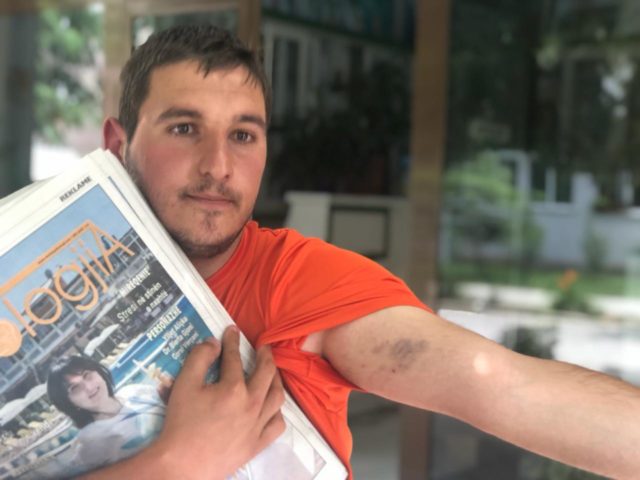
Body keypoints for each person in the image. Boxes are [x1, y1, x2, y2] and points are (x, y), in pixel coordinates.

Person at [82, 24, 639, 479]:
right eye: (184, 128)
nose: (219, 166)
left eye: (243, 135)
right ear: (116, 145)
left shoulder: (293, 281)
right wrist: (178, 464)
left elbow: (495, 382)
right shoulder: (52, 288)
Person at [46, 354, 315, 480]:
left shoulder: (134, 391)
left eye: (87, 375)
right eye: (74, 389)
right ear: (69, 403)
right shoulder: (87, 442)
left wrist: (172, 402)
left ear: (99, 372)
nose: (88, 387)